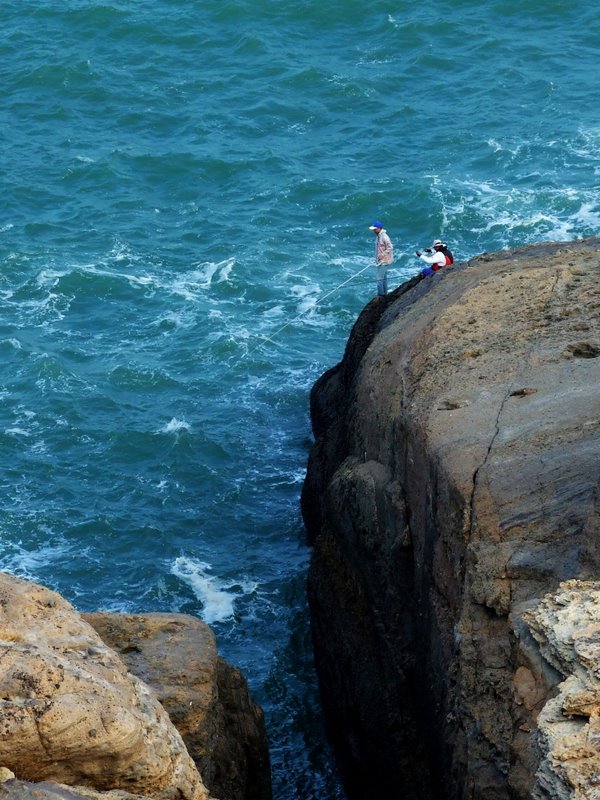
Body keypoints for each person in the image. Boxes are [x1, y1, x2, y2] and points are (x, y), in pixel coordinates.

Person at [369, 221, 393, 296]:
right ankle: (385, 294)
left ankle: (381, 295)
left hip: (384, 261)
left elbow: (390, 248)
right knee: (383, 278)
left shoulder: (385, 237)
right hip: (380, 260)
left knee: (379, 279)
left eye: (375, 229)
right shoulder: (378, 236)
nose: (373, 230)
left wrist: (382, 255)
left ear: (379, 228)